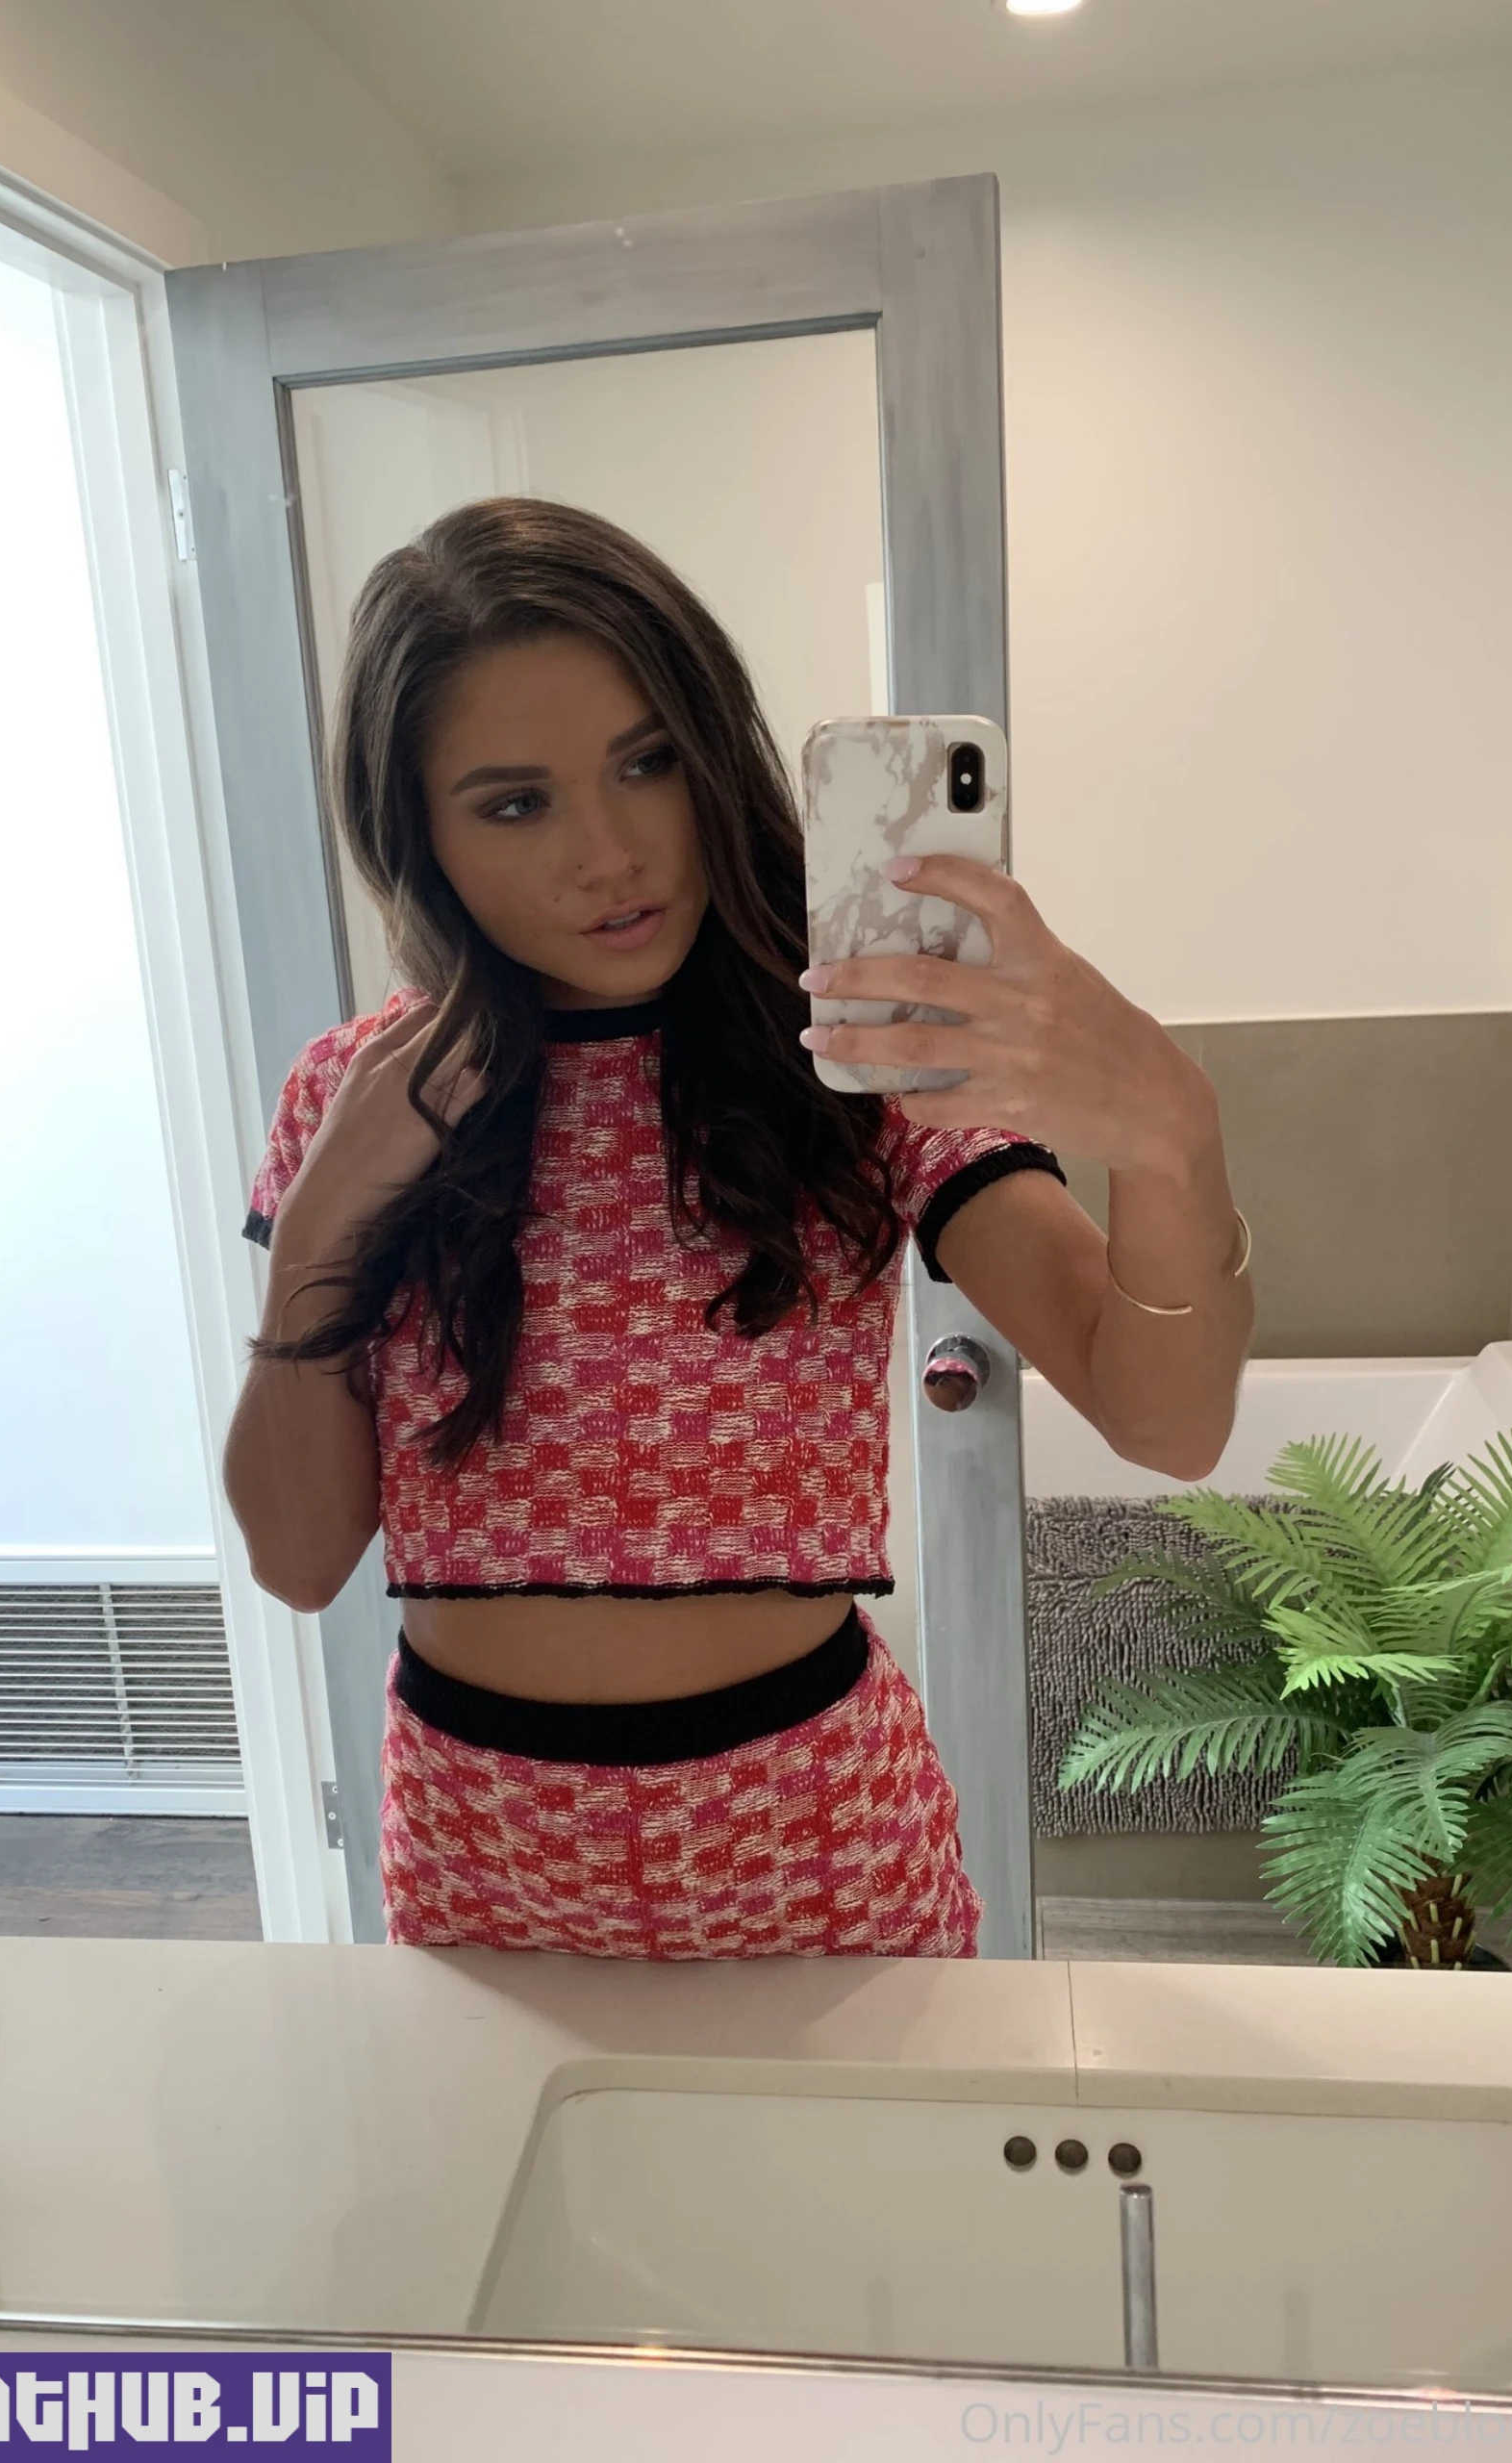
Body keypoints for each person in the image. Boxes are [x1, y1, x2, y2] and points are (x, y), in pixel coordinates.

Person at [223, 497, 1251, 1960]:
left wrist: (1170, 1134)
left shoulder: (860, 1054)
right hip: (479, 1858)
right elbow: (298, 1558)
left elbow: (1170, 1424)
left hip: (815, 1848)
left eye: (648, 762)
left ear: (712, 753)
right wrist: (325, 1220)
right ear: (419, 834)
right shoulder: (356, 1093)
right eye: (515, 804)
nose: (609, 853)